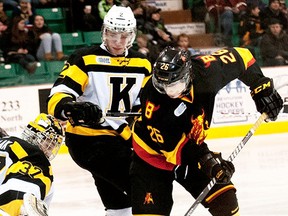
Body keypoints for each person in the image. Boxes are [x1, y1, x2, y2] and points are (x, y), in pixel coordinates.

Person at [130, 46, 283, 215]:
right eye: (162, 85)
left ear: (188, 76)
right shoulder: (154, 101)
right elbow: (180, 149)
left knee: (226, 204)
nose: (167, 92)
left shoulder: (207, 71)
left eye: (173, 85)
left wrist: (261, 87)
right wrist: (210, 163)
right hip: (152, 159)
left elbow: (242, 56)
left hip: (190, 149)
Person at [47, 5, 151, 216]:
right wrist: (73, 108)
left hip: (122, 139)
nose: (117, 42)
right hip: (88, 141)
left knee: (119, 205)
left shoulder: (143, 63)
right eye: (113, 34)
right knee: (144, 189)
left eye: (123, 36)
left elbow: (145, 104)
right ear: (104, 31)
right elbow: (58, 95)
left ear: (132, 35)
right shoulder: (84, 59)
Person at [0, 113, 64, 216]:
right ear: (35, 137)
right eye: (48, 145)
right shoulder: (35, 157)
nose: (49, 151)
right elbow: (20, 200)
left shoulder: (6, 142)